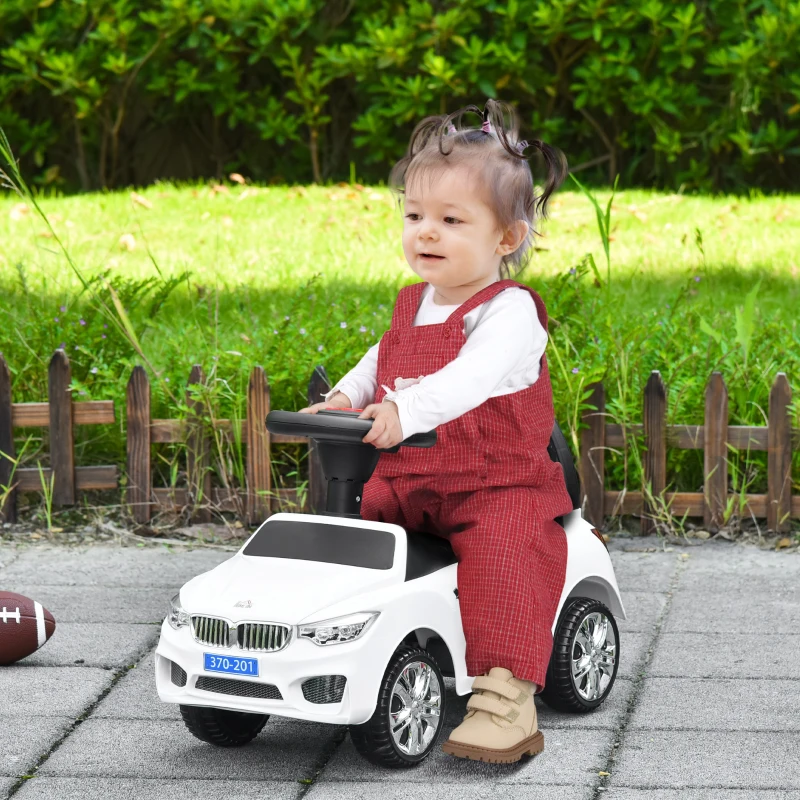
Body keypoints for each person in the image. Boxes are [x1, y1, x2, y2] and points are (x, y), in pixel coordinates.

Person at [299, 98, 574, 764]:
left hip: (495, 484)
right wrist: (345, 397)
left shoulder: (509, 314)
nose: (426, 232)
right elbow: (381, 359)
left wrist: (405, 411)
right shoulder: (414, 302)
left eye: (451, 221)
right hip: (409, 481)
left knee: (505, 554)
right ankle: (315, 643)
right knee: (339, 532)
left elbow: (467, 380)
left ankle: (506, 697)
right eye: (415, 216)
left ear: (506, 238)